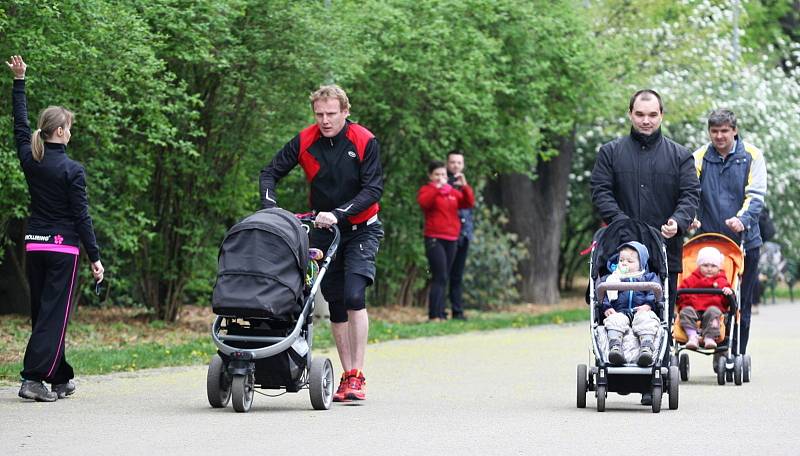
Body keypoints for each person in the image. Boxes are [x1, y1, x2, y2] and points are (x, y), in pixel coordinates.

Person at [259, 84, 382, 402]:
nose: (325, 120)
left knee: (355, 295)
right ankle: (346, 376)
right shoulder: (305, 140)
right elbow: (270, 173)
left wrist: (339, 213)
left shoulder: (364, 141)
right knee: (335, 300)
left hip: (361, 229)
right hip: (322, 230)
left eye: (331, 114)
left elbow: (373, 189)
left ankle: (358, 374)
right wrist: (272, 209)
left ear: (345, 112)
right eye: (319, 114)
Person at [591, 89, 700, 403]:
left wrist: (678, 221)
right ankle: (614, 360)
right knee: (615, 308)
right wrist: (622, 223)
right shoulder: (610, 153)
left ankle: (656, 375)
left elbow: (690, 195)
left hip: (665, 249)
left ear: (662, 115)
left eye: (652, 115)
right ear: (630, 114)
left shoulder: (680, 156)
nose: (646, 120)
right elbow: (600, 191)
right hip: (618, 251)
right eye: (640, 114)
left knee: (660, 311)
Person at [7, 55, 104, 402]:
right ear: (60, 131)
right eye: (70, 128)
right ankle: (33, 379)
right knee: (54, 315)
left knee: (45, 314)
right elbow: (82, 216)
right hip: (63, 249)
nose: (72, 133)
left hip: (35, 246)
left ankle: (61, 377)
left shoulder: (31, 159)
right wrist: (95, 257)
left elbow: (19, 126)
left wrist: (19, 82)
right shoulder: (72, 170)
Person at [690, 109, 767, 355]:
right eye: (715, 131)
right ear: (709, 132)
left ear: (734, 130)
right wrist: (690, 217)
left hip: (745, 241)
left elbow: (755, 195)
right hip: (710, 244)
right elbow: (690, 191)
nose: (720, 136)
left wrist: (742, 219)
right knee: (708, 294)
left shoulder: (752, 156)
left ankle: (736, 351)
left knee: (740, 302)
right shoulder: (699, 157)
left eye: (724, 131)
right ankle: (712, 339)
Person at [418, 160, 475, 321]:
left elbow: (468, 202)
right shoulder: (427, 190)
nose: (440, 177)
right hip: (435, 238)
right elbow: (424, 203)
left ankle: (441, 314)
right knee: (440, 275)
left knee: (445, 276)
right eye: (437, 174)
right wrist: (437, 189)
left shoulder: (451, 192)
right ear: (430, 176)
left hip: (452, 238)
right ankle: (434, 314)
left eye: (443, 174)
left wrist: (464, 186)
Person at [599, 242, 662, 367]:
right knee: (613, 320)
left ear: (641, 264)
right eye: (621, 260)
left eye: (630, 261)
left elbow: (654, 292)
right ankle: (615, 348)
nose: (624, 263)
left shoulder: (648, 277)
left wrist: (648, 305)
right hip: (620, 312)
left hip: (641, 311)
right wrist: (607, 306)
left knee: (648, 320)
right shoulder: (612, 278)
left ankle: (646, 349)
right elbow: (602, 294)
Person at [676, 246, 732, 350]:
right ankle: (692, 336)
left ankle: (709, 337)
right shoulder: (693, 278)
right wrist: (680, 295)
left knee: (714, 312)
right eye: (705, 265)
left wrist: (728, 293)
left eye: (713, 266)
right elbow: (681, 291)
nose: (709, 269)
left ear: (719, 267)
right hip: (693, 308)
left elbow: (727, 302)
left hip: (712, 308)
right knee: (685, 311)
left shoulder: (721, 280)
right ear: (699, 265)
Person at [446, 150, 473, 320]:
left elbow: (470, 205)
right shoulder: (443, 183)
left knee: (457, 276)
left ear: (463, 165)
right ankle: (438, 312)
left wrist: (465, 186)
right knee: (443, 275)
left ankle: (457, 311)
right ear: (448, 164)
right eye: (453, 162)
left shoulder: (465, 185)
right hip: (448, 235)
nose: (456, 165)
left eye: (459, 163)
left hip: (464, 235)